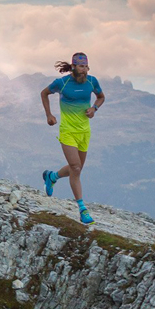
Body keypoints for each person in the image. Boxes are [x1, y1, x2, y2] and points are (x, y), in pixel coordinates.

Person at [40, 52, 105, 224]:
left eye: (86, 67)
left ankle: (52, 177)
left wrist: (94, 109)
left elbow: (101, 97)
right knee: (75, 167)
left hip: (84, 132)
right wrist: (49, 115)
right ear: (74, 67)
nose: (85, 70)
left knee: (76, 169)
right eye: (82, 67)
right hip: (67, 131)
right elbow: (44, 93)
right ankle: (83, 210)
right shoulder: (62, 83)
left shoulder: (92, 81)